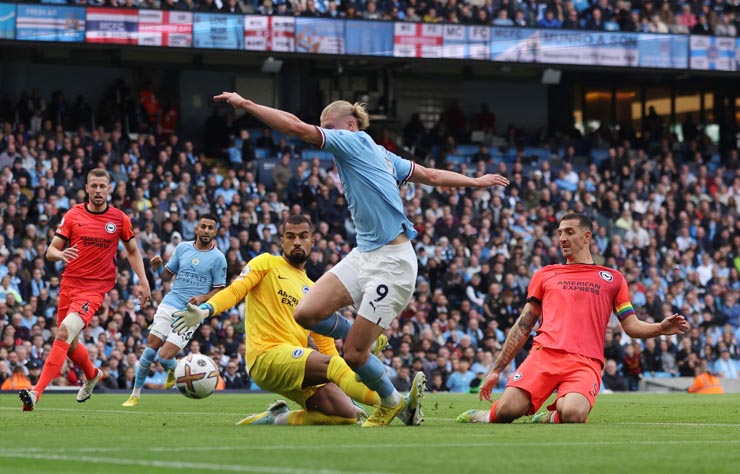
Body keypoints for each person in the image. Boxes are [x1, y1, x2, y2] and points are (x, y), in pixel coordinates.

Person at [210, 92, 509, 426]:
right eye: (325, 129)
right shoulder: (380, 154)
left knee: (353, 353)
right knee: (306, 313)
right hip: (364, 254)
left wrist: (247, 104)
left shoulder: (354, 142)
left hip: (393, 263)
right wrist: (475, 181)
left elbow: (296, 128)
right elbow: (431, 175)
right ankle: (370, 346)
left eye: (330, 127)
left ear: (350, 125)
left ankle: (391, 402)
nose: (326, 133)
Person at [456, 214, 689, 424]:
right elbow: (524, 325)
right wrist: (496, 369)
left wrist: (660, 327)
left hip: (585, 361)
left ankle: (548, 418)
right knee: (506, 411)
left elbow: (631, 326)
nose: (562, 238)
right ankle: (485, 416)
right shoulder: (545, 274)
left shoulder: (613, 279)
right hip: (544, 355)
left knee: (573, 414)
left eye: (569, 232)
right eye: (559, 233)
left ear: (587, 236)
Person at [172, 215, 395, 426]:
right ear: (282, 241)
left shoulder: (314, 288)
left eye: (302, 236)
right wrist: (205, 310)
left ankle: (276, 418)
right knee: (335, 366)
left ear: (312, 241)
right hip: (265, 356)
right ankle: (395, 403)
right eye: (290, 236)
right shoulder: (266, 263)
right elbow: (236, 290)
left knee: (344, 415)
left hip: (294, 365)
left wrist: (346, 386)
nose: (296, 242)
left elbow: (325, 343)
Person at [20, 169, 151, 411]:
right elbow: (50, 251)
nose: (99, 190)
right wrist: (60, 254)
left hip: (94, 290)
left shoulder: (120, 219)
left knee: (63, 334)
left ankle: (35, 392)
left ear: (110, 189)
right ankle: (92, 375)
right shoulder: (73, 215)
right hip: (68, 285)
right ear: (87, 188)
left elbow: (132, 251)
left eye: (103, 186)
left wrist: (143, 281)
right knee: (68, 344)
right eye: (95, 186)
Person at [122, 213, 227, 407]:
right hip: (170, 302)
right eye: (203, 226)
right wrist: (159, 267)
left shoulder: (219, 258)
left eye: (210, 228)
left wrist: (203, 298)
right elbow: (165, 277)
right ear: (197, 228)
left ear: (215, 232)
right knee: (149, 350)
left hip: (191, 312)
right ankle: (135, 394)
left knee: (164, 357)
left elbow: (220, 289)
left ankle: (176, 369)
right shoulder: (183, 248)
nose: (206, 230)